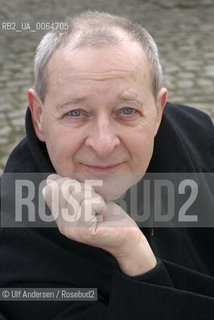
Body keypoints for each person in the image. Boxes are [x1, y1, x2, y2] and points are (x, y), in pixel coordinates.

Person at [0, 10, 214, 320]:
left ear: (157, 110)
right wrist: (135, 257)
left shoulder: (199, 133)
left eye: (126, 110)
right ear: (39, 117)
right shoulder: (11, 245)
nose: (103, 144)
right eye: (76, 113)